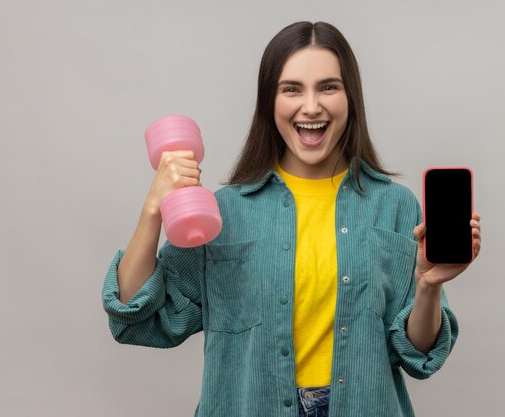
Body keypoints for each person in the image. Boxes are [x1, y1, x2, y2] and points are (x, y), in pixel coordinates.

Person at [102, 21, 482, 417]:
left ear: (351, 97)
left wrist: (427, 286)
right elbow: (136, 319)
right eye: (292, 89)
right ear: (270, 101)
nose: (312, 106)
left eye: (328, 87)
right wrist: (152, 210)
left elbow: (419, 355)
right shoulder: (225, 210)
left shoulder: (396, 207)